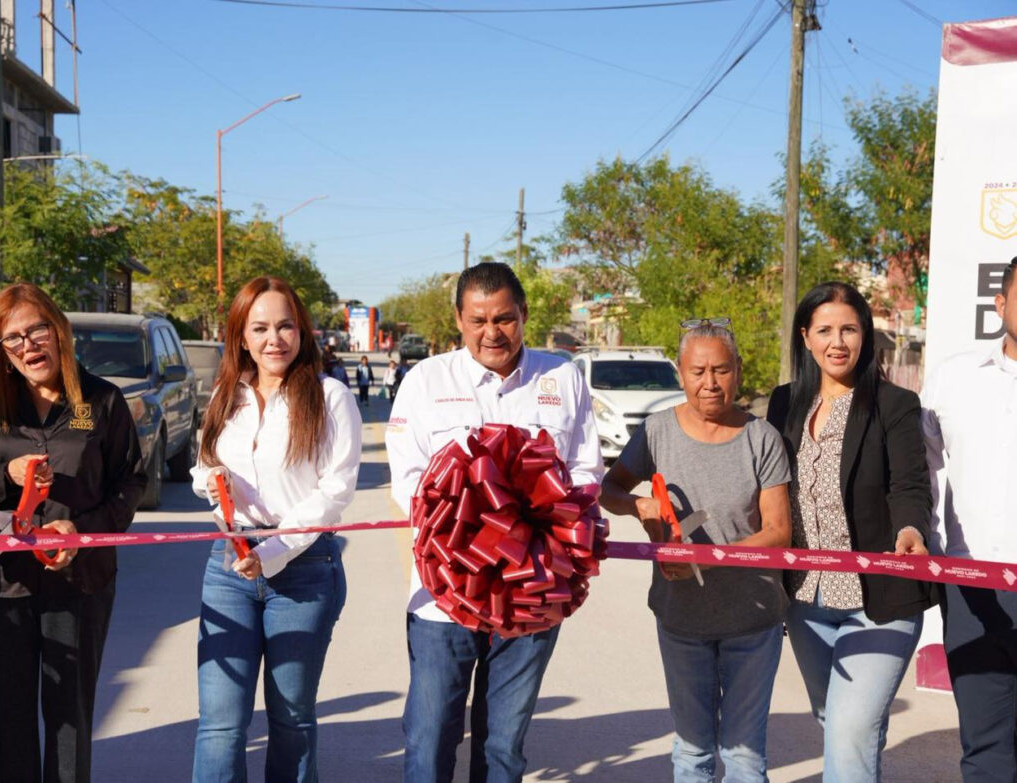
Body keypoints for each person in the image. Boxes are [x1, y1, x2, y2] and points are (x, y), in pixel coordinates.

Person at [386, 261, 602, 783]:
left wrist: (541, 526)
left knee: (504, 749)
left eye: (504, 319)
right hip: (445, 600)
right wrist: (481, 526)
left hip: (532, 595)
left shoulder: (563, 377)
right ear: (459, 320)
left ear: (524, 315)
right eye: (478, 320)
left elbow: (585, 471)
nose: (492, 333)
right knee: (428, 741)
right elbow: (409, 481)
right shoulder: (425, 381)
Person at [0, 283, 147, 783]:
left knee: (70, 717)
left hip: (80, 584)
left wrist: (79, 532)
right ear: (0, 350)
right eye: (11, 338)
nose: (28, 345)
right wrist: (5, 476)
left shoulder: (103, 400)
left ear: (58, 330)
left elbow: (131, 481)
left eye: (36, 329)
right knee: (5, 717)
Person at [601, 319, 792, 783]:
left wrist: (711, 558)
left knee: (744, 758)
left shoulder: (761, 438)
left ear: (739, 372)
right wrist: (638, 504)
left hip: (753, 621)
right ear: (680, 374)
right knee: (692, 753)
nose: (710, 383)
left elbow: (778, 531)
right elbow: (609, 489)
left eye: (721, 370)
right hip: (681, 619)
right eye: (698, 371)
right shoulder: (656, 433)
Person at [190, 276, 361, 783]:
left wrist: (274, 550)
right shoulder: (227, 394)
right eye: (260, 327)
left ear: (301, 330)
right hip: (229, 568)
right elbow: (202, 468)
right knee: (220, 724)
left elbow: (335, 490)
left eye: (285, 326)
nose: (274, 339)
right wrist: (213, 483)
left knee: (290, 719)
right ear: (241, 336)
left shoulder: (330, 397)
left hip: (304, 570)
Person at [766, 282, 933, 782]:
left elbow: (910, 485)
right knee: (840, 723)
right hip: (806, 600)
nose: (837, 342)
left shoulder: (894, 404)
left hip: (879, 600)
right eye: (824, 330)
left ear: (865, 335)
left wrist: (910, 528)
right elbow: (767, 489)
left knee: (849, 729)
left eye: (849, 329)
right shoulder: (783, 405)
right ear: (805, 337)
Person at [923, 257, 1017, 781]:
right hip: (971, 586)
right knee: (985, 747)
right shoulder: (952, 380)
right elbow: (921, 475)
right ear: (999, 303)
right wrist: (934, 553)